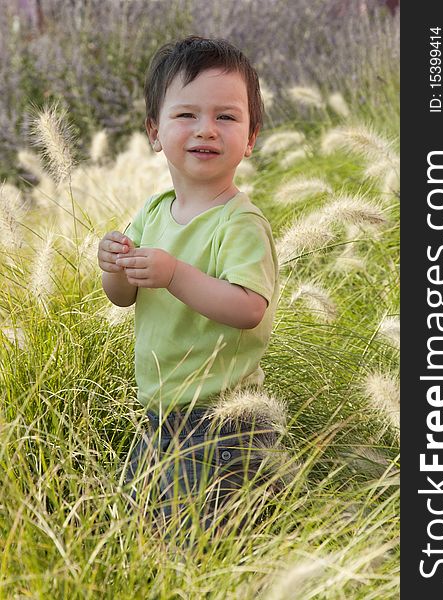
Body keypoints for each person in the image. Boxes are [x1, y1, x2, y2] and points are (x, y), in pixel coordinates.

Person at [97, 36, 283, 537]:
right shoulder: (154, 212)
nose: (206, 129)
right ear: (154, 131)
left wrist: (176, 274)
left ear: (251, 136)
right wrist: (113, 264)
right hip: (159, 412)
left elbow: (249, 309)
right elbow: (123, 296)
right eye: (187, 116)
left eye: (226, 117)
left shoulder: (239, 223)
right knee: (144, 526)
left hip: (222, 422)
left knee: (208, 538)